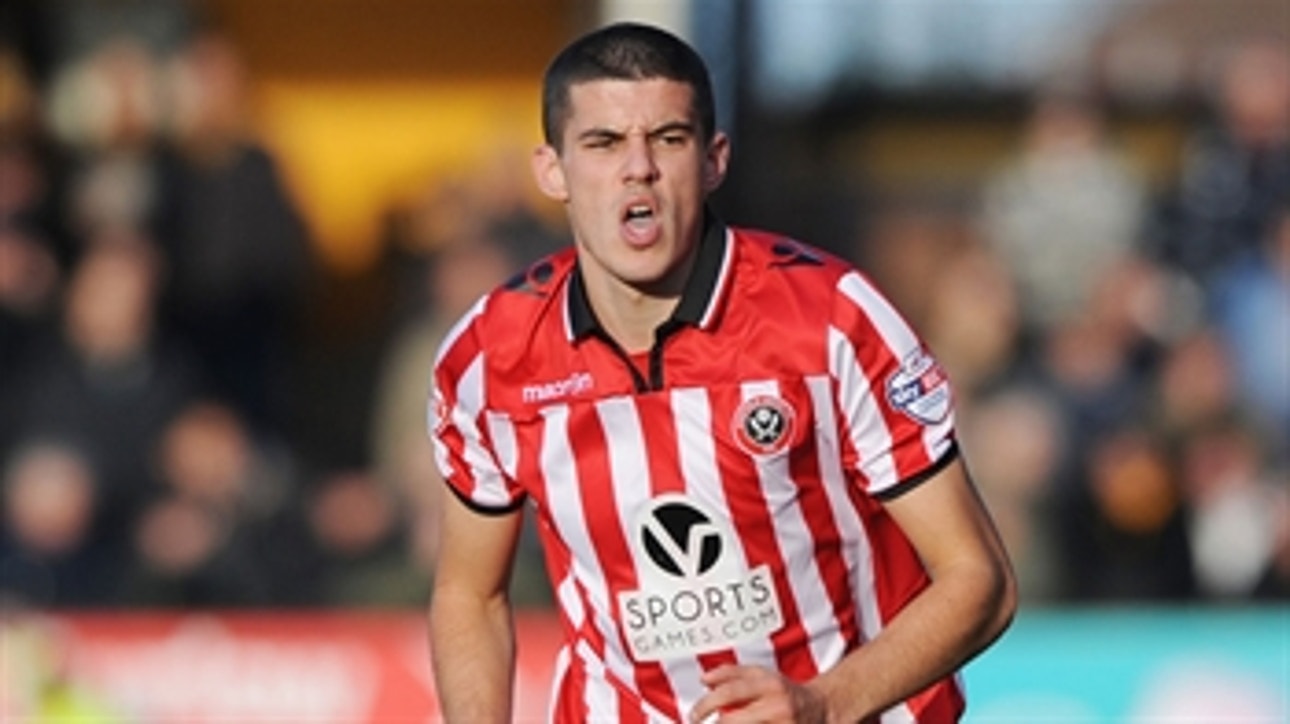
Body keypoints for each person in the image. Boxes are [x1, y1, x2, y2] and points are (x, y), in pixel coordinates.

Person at [426, 22, 1016, 723]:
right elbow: (471, 594)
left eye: (668, 140)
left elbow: (981, 579)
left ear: (714, 161)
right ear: (551, 170)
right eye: (604, 142)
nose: (638, 169)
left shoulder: (830, 320)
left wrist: (825, 702)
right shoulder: (491, 356)